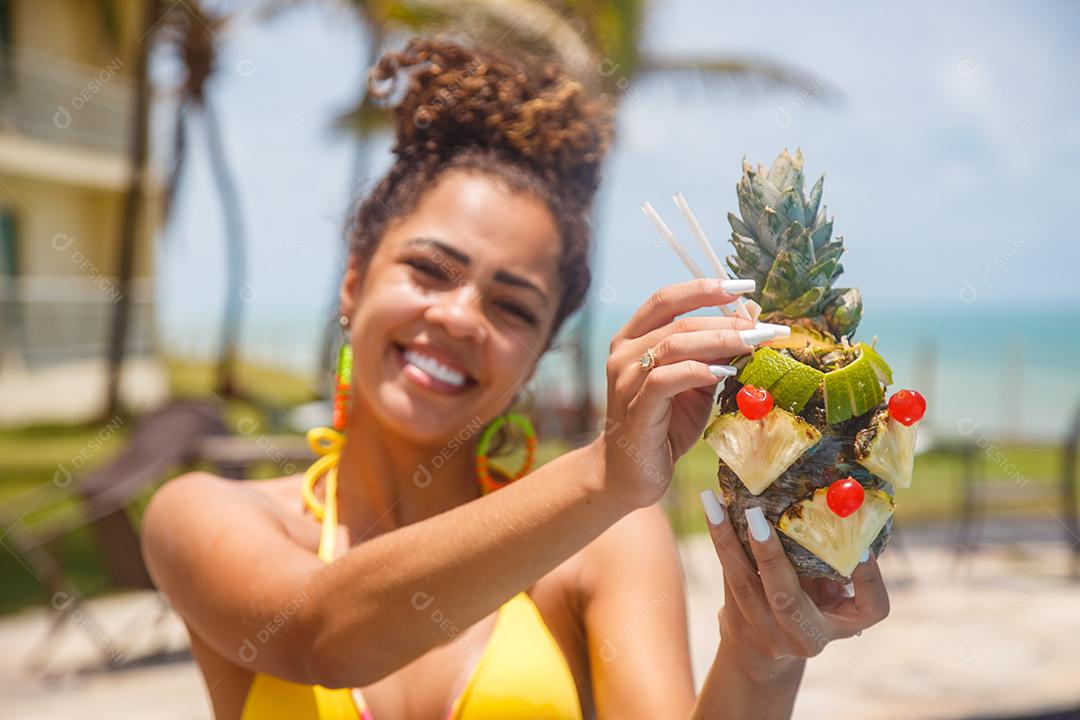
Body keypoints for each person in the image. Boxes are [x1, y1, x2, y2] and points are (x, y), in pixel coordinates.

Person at [141, 38, 890, 720]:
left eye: (511, 306)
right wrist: (603, 471)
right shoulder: (202, 516)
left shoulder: (607, 544)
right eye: (430, 270)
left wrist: (762, 659)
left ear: (538, 354)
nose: (463, 317)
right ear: (353, 285)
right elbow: (318, 636)